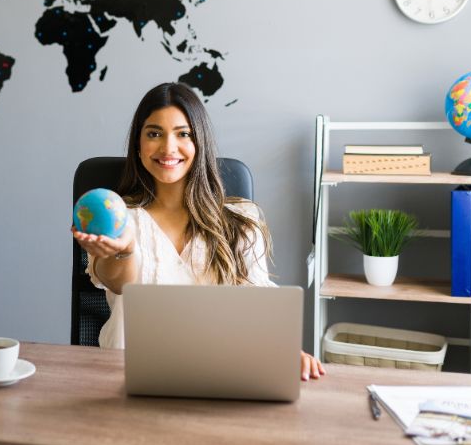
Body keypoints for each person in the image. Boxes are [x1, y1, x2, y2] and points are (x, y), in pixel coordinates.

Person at [72, 82, 325, 381]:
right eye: (154, 133)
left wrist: (283, 349)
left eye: (183, 134)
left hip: (219, 376)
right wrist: (124, 250)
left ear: (199, 143)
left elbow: (256, 306)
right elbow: (117, 283)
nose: (168, 147)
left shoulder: (240, 220)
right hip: (126, 378)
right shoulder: (122, 220)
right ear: (138, 147)